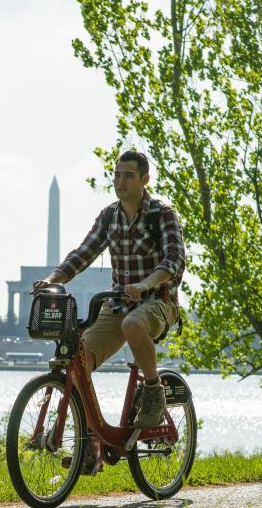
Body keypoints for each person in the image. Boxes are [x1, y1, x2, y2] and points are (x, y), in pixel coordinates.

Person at [34, 149, 186, 472]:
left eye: (128, 175)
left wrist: (145, 285)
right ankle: (91, 445)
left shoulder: (162, 214)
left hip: (157, 303)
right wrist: (53, 278)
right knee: (80, 359)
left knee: (133, 324)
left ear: (145, 179)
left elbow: (173, 262)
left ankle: (154, 391)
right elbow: (84, 253)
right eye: (116, 175)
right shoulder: (109, 216)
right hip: (117, 304)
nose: (120, 182)